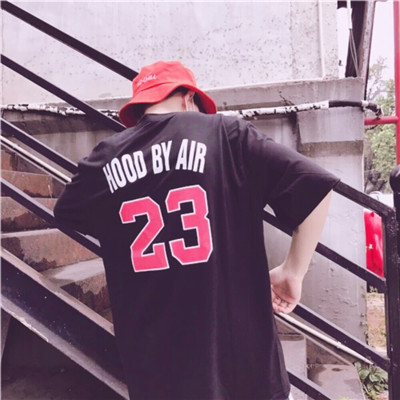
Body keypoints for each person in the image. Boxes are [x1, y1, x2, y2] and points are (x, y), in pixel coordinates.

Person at [54, 60, 339, 400]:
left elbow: (67, 213)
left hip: (159, 377)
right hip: (247, 372)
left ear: (141, 108)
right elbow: (315, 185)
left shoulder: (106, 157)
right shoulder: (226, 135)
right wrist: (293, 272)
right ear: (189, 97)